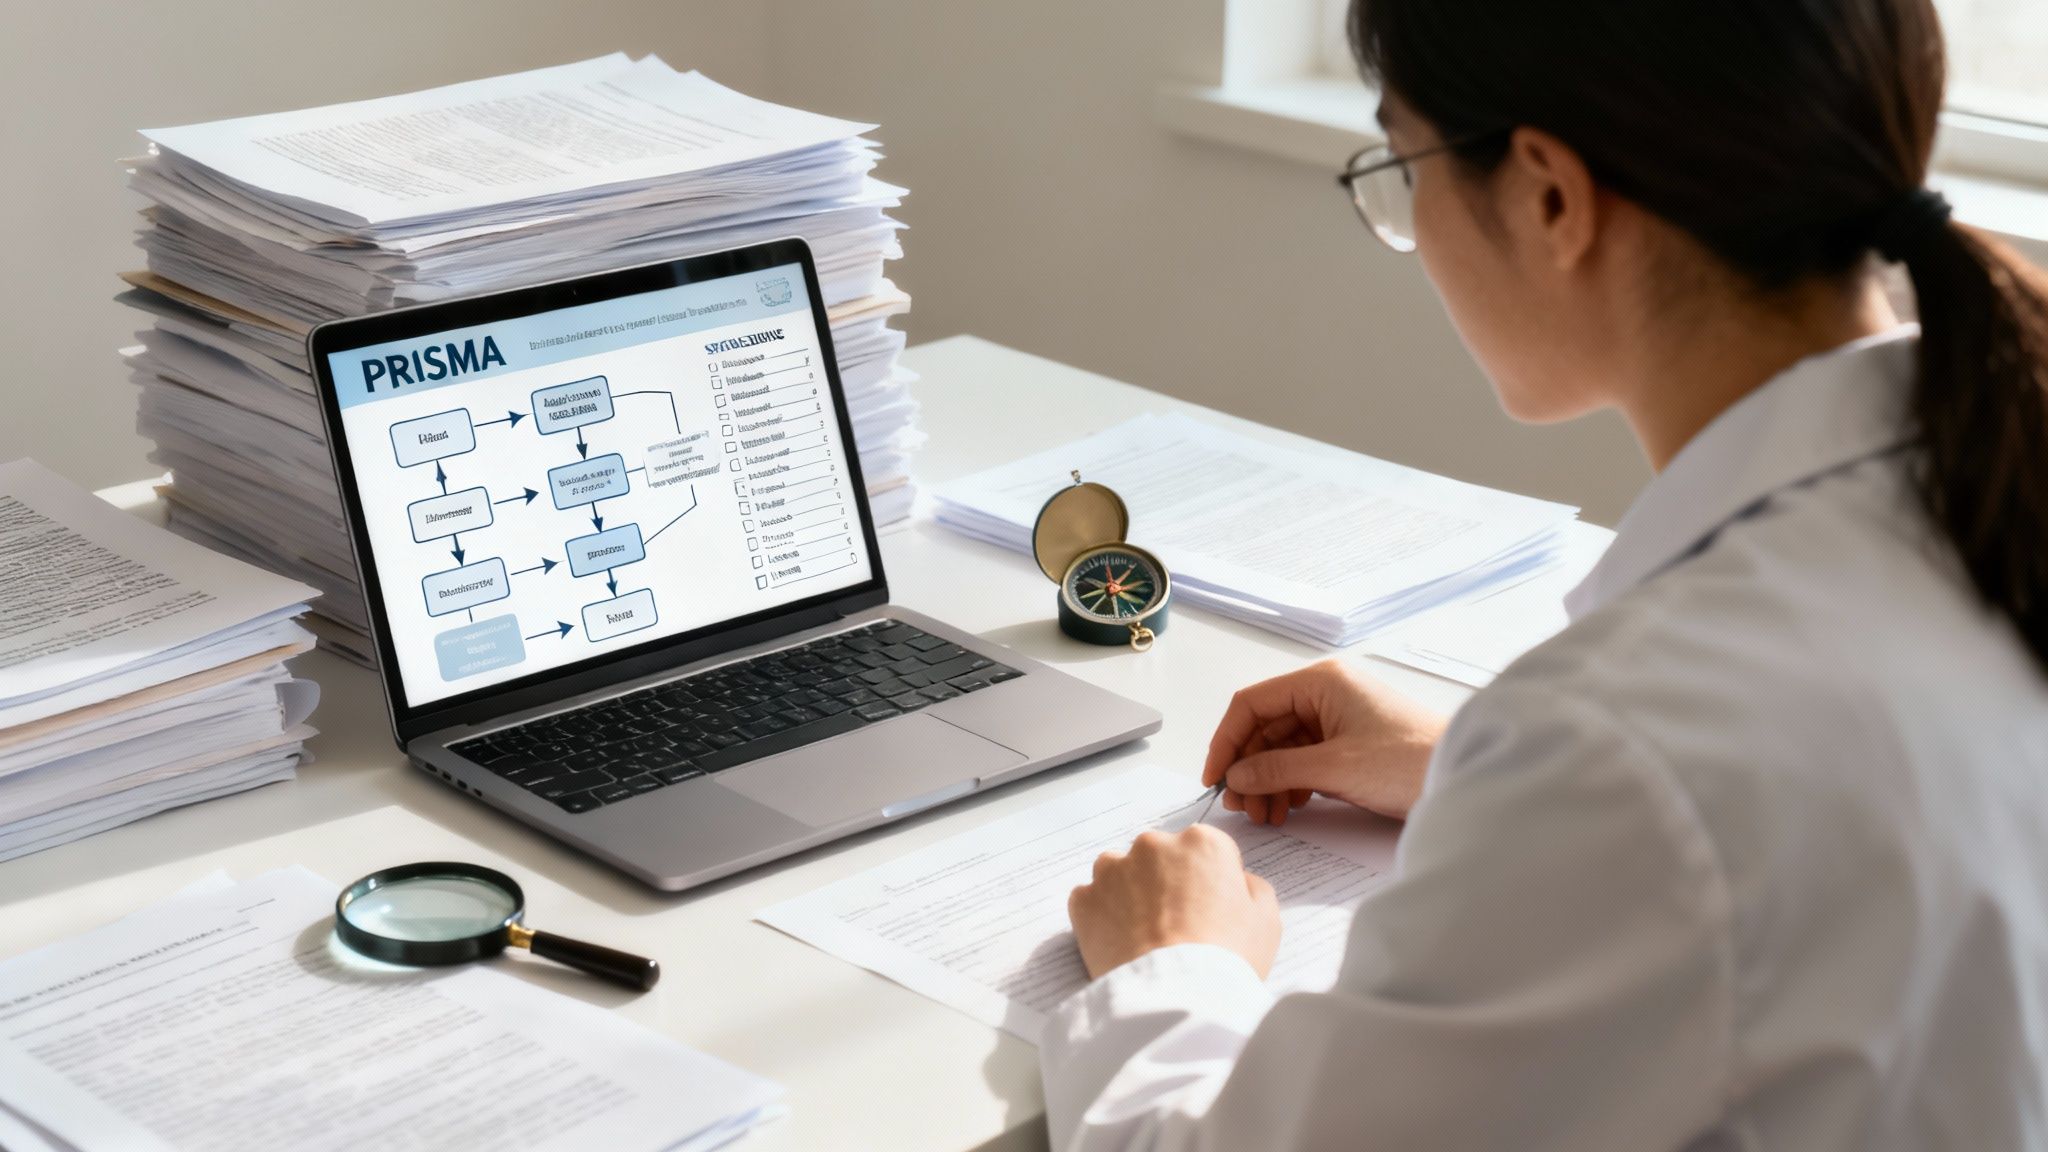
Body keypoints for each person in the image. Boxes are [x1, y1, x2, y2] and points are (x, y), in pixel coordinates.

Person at [1045, 0, 2048, 1148]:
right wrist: (1466, 764)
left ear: (1548, 197)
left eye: (1404, 164)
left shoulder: (1617, 751)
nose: (1409, 222)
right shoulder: (1981, 498)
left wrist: (1173, 964)